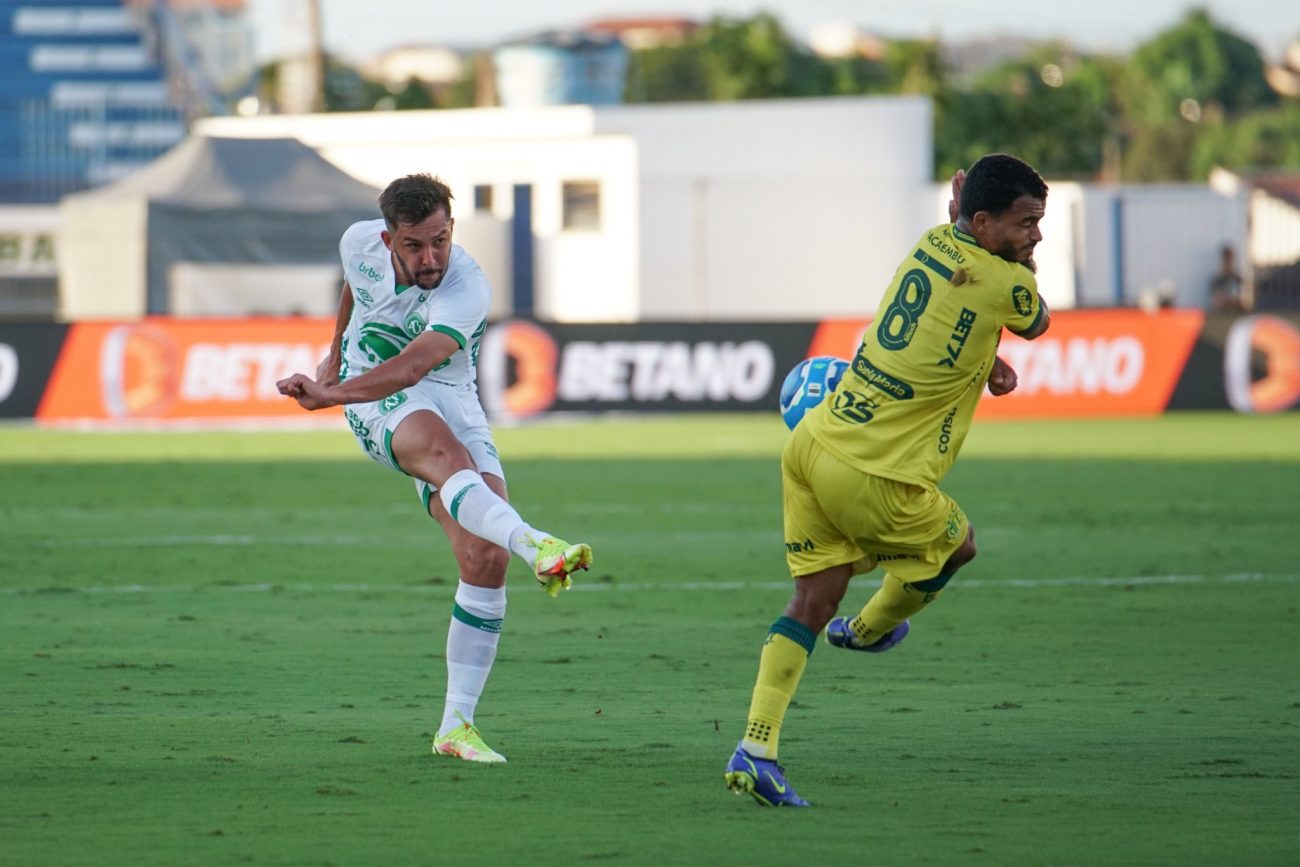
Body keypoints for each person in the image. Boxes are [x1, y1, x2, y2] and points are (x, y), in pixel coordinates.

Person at [723, 154, 1052, 806]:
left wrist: (986, 366)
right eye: (1026, 223)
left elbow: (954, 314)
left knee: (811, 599)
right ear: (981, 221)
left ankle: (754, 749)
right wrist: (1018, 270)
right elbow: (1034, 319)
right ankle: (869, 630)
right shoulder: (1004, 278)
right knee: (958, 546)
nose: (1035, 237)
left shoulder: (933, 240)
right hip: (875, 473)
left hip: (812, 444)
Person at [277, 173, 592, 764]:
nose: (432, 257)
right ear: (388, 238)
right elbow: (359, 302)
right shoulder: (357, 243)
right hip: (376, 392)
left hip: (451, 394)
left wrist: (326, 391)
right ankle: (538, 544)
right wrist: (338, 356)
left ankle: (456, 727)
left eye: (441, 240)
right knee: (447, 461)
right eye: (416, 245)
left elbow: (418, 364)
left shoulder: (466, 284)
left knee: (483, 557)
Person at [1209, 244, 1246, 313]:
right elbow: (1216, 299)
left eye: (1230, 258)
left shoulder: (1237, 278)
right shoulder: (1217, 279)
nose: (1229, 261)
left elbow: (1244, 298)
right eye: (1227, 258)